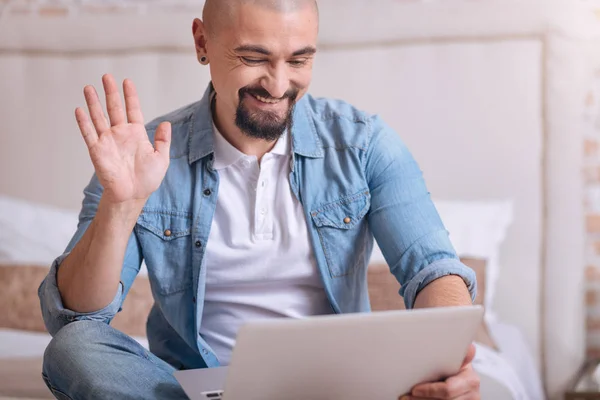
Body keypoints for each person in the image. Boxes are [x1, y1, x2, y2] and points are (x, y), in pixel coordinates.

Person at [38, 0, 480, 399]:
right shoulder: (143, 155)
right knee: (73, 346)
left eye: (300, 60)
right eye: (253, 58)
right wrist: (120, 206)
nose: (279, 84)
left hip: (336, 386)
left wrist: (444, 360)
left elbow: (432, 270)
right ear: (202, 42)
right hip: (192, 387)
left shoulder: (363, 144)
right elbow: (77, 316)